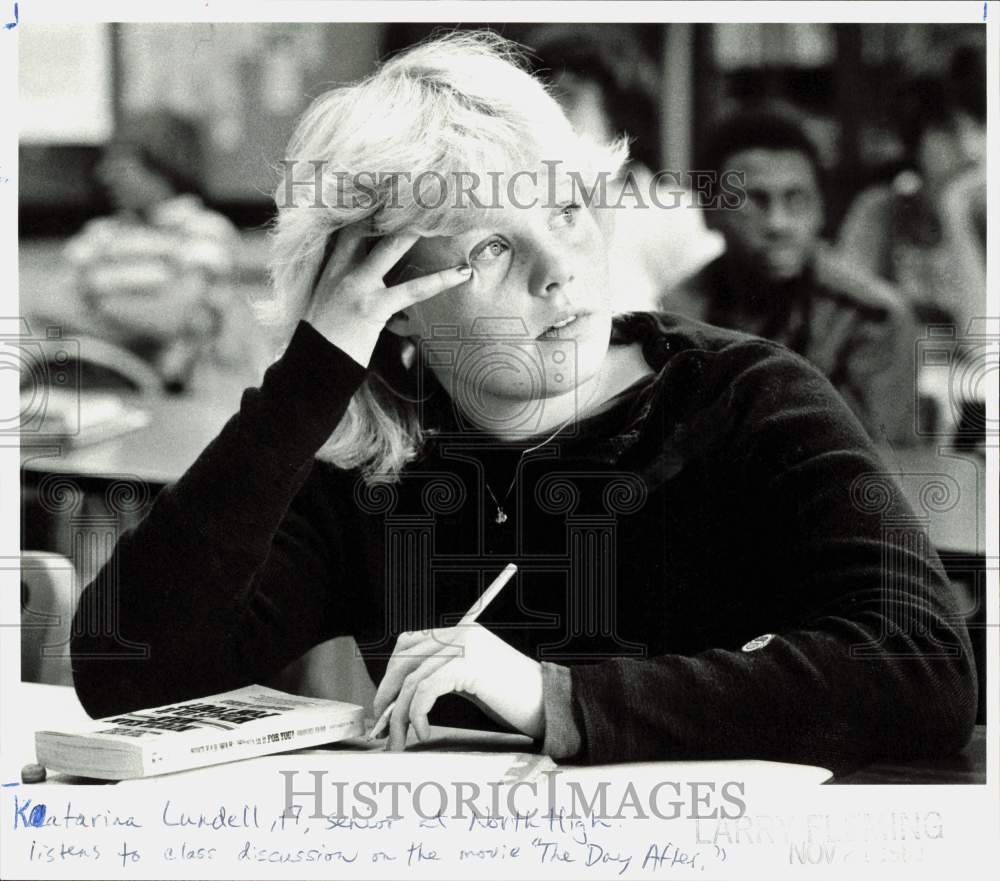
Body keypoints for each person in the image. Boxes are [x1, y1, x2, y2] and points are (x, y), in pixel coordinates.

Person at [71, 33, 975, 774]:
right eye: (493, 249)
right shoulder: (375, 459)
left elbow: (926, 670)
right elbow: (130, 674)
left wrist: (560, 695)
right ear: (389, 300)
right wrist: (318, 367)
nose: (562, 269)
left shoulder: (749, 399)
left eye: (569, 207)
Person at [660, 109, 916, 445]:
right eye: (755, 201)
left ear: (821, 209)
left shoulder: (871, 318)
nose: (778, 224)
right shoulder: (679, 312)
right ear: (711, 213)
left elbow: (867, 460)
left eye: (796, 200)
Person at [61, 111, 262, 392]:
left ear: (160, 167)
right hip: (101, 393)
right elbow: (49, 308)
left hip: (184, 401)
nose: (104, 174)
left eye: (119, 163)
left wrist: (98, 304)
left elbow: (169, 317)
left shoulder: (205, 229)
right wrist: (142, 326)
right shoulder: (100, 234)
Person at [527, 26, 723, 312]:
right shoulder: (526, 206)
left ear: (617, 109)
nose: (552, 113)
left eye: (568, 97)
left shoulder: (668, 210)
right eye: (543, 99)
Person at [838, 47, 986, 339]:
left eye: (981, 127)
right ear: (915, 138)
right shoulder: (880, 210)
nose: (969, 149)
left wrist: (955, 213)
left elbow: (986, 351)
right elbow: (842, 323)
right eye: (947, 130)